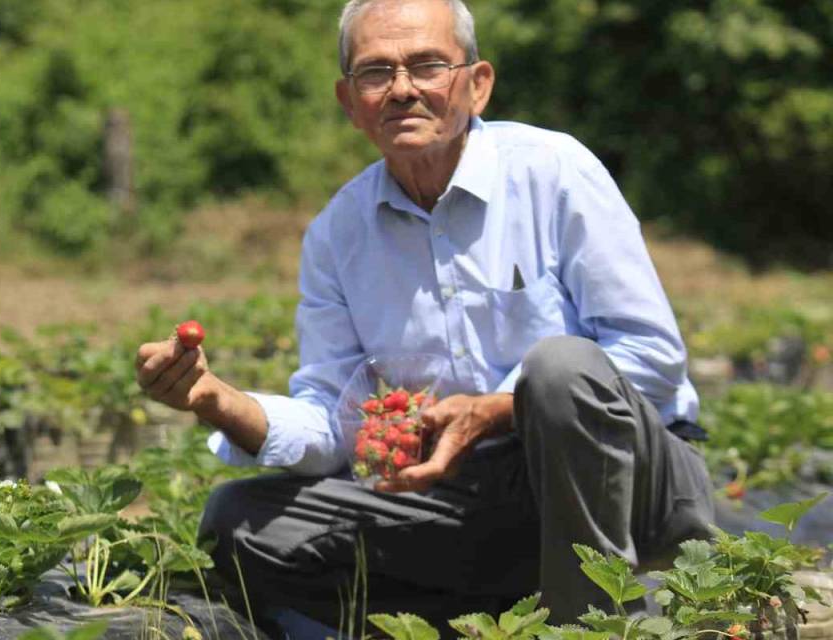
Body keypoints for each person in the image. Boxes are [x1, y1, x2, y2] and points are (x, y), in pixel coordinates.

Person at [133, 0, 715, 636]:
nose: (402, 89)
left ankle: (599, 623)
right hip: (472, 503)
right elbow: (335, 420)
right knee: (238, 519)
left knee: (559, 367)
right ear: (349, 101)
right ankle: (484, 615)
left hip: (631, 488)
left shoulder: (554, 173)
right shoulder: (338, 233)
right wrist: (217, 400)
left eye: (428, 65)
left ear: (477, 84)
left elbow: (652, 360)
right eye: (375, 72)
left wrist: (492, 410)